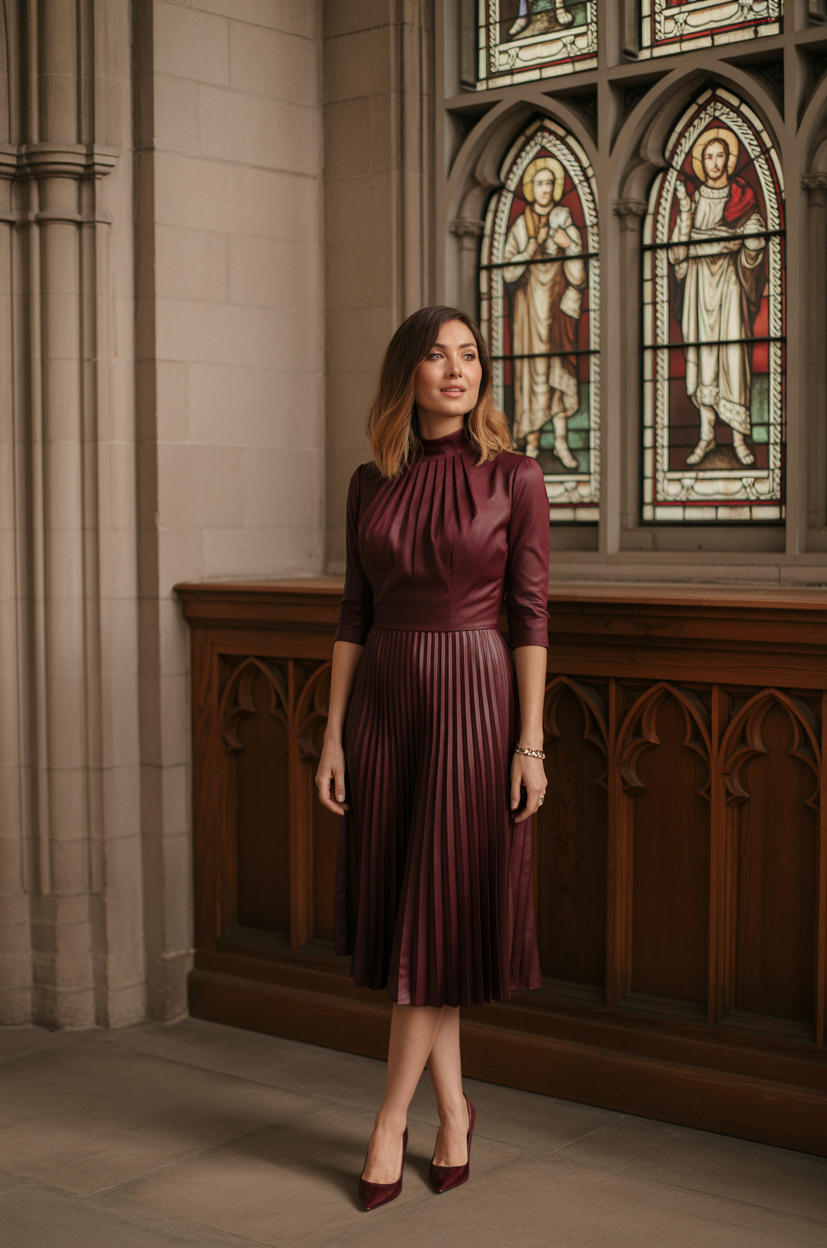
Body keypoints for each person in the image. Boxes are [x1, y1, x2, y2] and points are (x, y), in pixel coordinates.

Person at [315, 306, 550, 1211]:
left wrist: (530, 744)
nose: (457, 370)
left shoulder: (513, 476)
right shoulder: (369, 484)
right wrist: (333, 733)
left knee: (431, 916)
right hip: (385, 710)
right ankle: (454, 1110)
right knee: (427, 924)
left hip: (473, 707)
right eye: (437, 356)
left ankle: (387, 1120)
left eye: (471, 355)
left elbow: (529, 618)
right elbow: (352, 615)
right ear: (406, 374)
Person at [669, 129, 767, 468]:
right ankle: (706, 435)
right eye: (708, 156)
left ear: (729, 159)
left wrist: (742, 243)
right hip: (698, 290)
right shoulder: (693, 201)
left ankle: (739, 437)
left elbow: (754, 241)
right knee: (703, 359)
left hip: (728, 286)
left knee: (732, 360)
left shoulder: (742, 196)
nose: (714, 162)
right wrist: (685, 215)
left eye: (720, 155)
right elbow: (676, 255)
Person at [502, 157, 586, 468]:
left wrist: (569, 246)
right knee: (532, 377)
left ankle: (562, 443)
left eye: (550, 183)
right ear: (530, 189)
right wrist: (533, 245)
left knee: (558, 373)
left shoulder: (565, 224)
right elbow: (509, 273)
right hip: (527, 313)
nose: (545, 188)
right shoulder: (520, 227)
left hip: (558, 310)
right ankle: (532, 444)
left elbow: (580, 276)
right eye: (539, 183)